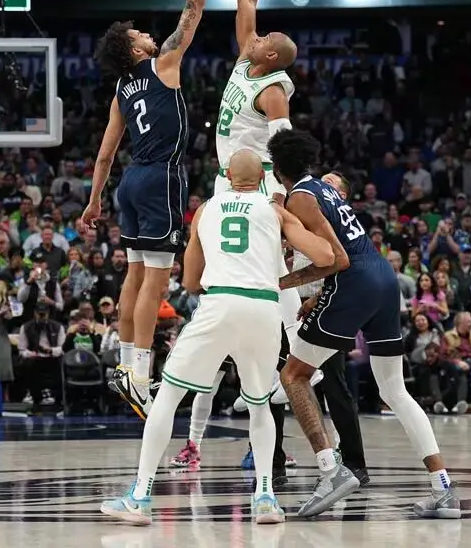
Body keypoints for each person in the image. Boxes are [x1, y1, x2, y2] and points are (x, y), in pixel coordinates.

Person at [100, 150, 336, 526]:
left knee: (169, 397)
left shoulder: (207, 210)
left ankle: (140, 496)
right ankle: (264, 498)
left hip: (219, 303)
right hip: (263, 308)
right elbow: (324, 254)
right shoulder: (274, 210)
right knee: (260, 405)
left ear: (226, 175)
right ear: (262, 179)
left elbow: (192, 282)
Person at [169, 0, 308, 475]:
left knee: (280, 328)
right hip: (229, 188)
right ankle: (198, 441)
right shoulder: (249, 56)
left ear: (272, 56)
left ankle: (277, 428)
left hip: (258, 198)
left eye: (270, 38)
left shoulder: (274, 89)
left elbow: (289, 152)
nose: (261, 32)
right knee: (219, 321)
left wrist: (286, 210)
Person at [268, 129, 460, 519]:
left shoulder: (301, 197)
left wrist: (281, 283)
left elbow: (336, 260)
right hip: (384, 280)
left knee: (293, 376)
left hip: (354, 282)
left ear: (277, 170)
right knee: (395, 390)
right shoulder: (326, 190)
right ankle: (443, 488)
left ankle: (331, 470)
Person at [81, 0, 220, 419]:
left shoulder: (120, 90)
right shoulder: (163, 65)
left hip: (129, 182)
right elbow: (194, 7)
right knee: (155, 280)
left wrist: (95, 200)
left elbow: (103, 154)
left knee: (135, 275)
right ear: (133, 48)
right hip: (160, 176)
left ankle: (124, 364)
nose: (147, 32)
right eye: (139, 32)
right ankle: (140, 374)